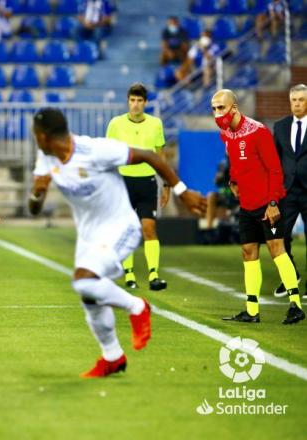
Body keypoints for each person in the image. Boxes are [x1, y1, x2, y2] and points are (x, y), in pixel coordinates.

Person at [28, 107, 205, 378]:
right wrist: (37, 194)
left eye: (36, 135)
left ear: (45, 136)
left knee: (84, 280)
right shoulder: (46, 158)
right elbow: (34, 210)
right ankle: (112, 357)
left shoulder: (96, 151)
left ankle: (138, 307)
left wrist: (181, 191)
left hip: (121, 227)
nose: (35, 140)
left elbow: (148, 156)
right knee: (89, 296)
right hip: (89, 237)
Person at [211, 89, 304, 325]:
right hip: (247, 204)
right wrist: (233, 179)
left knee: (277, 250)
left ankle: (295, 305)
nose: (217, 113)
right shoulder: (226, 134)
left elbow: (275, 169)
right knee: (248, 252)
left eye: (221, 108)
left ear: (234, 107)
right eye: (214, 108)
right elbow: (237, 160)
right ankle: (252, 311)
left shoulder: (258, 131)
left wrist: (274, 203)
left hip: (267, 204)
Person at [106, 83, 168, 291]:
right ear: (128, 101)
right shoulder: (116, 124)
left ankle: (154, 275)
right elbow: (109, 154)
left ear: (146, 103)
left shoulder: (155, 124)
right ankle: (129, 275)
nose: (135, 104)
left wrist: (166, 183)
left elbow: (160, 155)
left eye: (139, 100)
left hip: (147, 181)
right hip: (123, 182)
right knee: (126, 229)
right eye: (132, 100)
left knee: (149, 227)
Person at [272, 84, 307, 298]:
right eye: (294, 100)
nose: (297, 104)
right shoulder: (281, 126)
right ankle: (290, 276)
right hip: (287, 191)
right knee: (280, 236)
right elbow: (275, 160)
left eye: (301, 100)